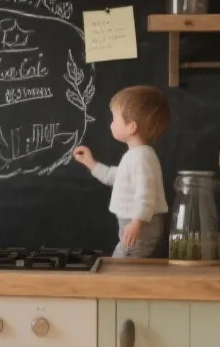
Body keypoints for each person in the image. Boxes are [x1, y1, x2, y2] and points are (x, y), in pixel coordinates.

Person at [70, 85, 170, 258]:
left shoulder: (141, 158)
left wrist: (137, 223)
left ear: (131, 127)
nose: (111, 124)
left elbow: (146, 194)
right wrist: (91, 163)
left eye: (114, 119)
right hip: (135, 224)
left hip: (141, 226)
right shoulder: (136, 155)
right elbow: (114, 176)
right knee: (124, 261)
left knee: (122, 261)